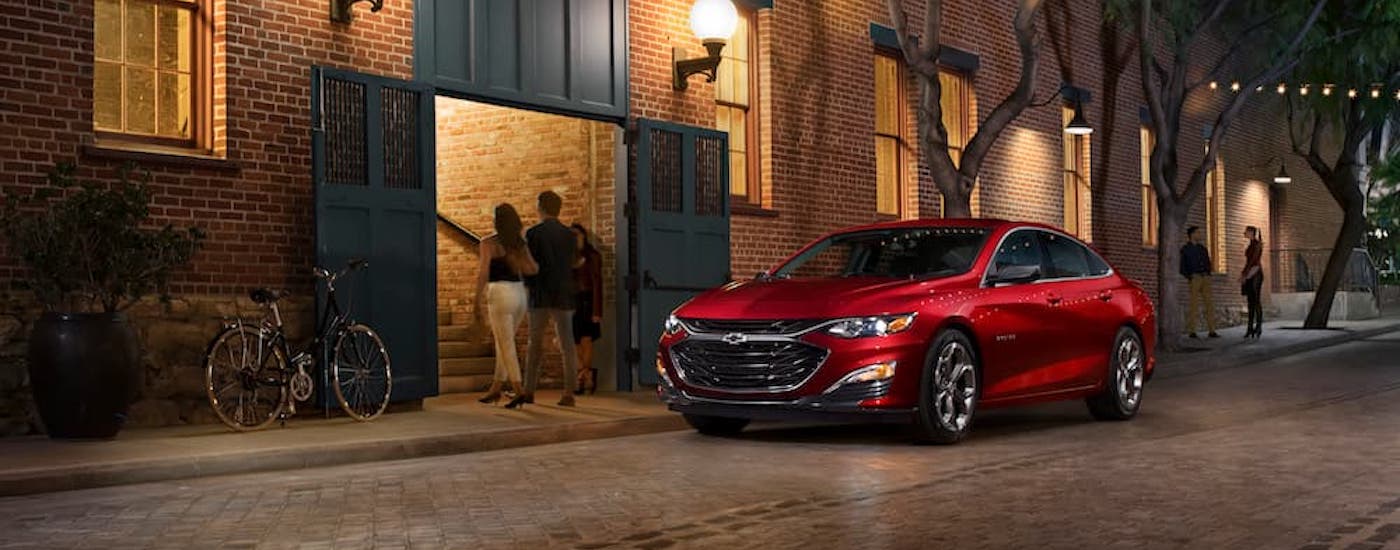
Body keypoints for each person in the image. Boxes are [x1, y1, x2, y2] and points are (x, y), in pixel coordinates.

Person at [510, 191, 583, 408]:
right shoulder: (569, 235)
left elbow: (527, 263)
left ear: (540, 207)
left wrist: (526, 285)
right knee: (567, 344)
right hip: (563, 292)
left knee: (535, 345)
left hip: (540, 292)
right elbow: (574, 263)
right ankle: (569, 392)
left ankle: (529, 390)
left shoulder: (533, 233)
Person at [473, 204, 538, 406]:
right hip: (520, 293)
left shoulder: (488, 243)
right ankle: (495, 388)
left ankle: (519, 390)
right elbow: (533, 269)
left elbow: (483, 272)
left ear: (496, 220)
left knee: (506, 344)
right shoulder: (519, 244)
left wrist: (476, 300)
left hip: (499, 293)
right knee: (505, 342)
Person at [570, 223, 603, 395]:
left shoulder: (593, 256)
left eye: (577, 234)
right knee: (574, 341)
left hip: (588, 300)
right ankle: (587, 374)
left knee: (586, 339)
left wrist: (597, 311)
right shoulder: (567, 257)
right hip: (571, 302)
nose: (575, 238)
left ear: (583, 236)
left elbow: (597, 283)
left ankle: (582, 377)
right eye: (572, 235)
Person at [1180, 225, 1219, 338]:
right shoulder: (1185, 249)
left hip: (1205, 277)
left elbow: (1207, 261)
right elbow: (1182, 266)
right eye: (1197, 233)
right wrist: (1189, 276)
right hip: (1195, 277)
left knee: (1209, 304)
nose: (1199, 235)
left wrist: (1208, 273)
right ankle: (1192, 331)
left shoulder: (1203, 249)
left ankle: (1212, 330)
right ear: (1191, 235)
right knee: (1194, 304)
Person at [1240, 226, 1265, 339]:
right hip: (1252, 272)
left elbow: (1253, 260)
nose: (1244, 233)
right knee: (1250, 302)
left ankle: (1258, 327)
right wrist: (1243, 274)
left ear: (1251, 233)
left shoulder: (1257, 244)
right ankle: (1250, 328)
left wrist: (1246, 274)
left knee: (1256, 300)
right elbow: (1249, 261)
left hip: (1255, 273)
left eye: (1246, 232)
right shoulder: (1251, 244)